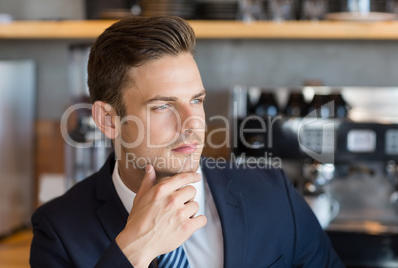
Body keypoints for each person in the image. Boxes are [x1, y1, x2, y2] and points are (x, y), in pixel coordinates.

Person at [30, 16, 344, 268]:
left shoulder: (274, 195)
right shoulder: (58, 232)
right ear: (108, 120)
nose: (192, 122)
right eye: (163, 106)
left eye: (196, 100)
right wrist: (135, 249)